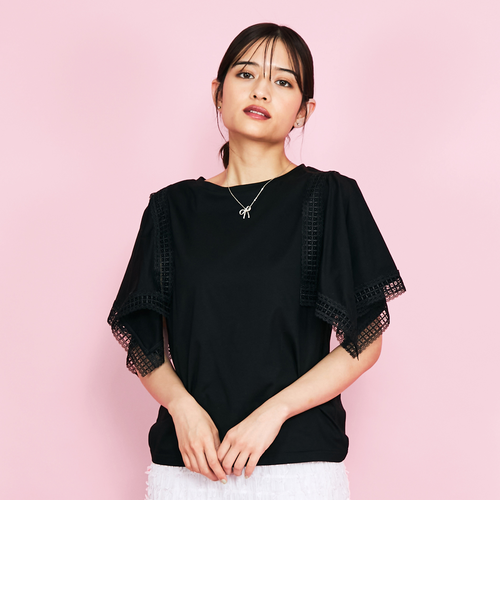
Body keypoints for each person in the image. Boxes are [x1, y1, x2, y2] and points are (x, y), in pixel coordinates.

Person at [108, 23, 406, 500]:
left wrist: (274, 413)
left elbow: (366, 339)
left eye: (283, 81)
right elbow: (143, 342)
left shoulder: (331, 197)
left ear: (304, 111)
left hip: (299, 469)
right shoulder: (170, 209)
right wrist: (182, 408)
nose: (261, 91)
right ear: (218, 91)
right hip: (188, 468)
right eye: (246, 74)